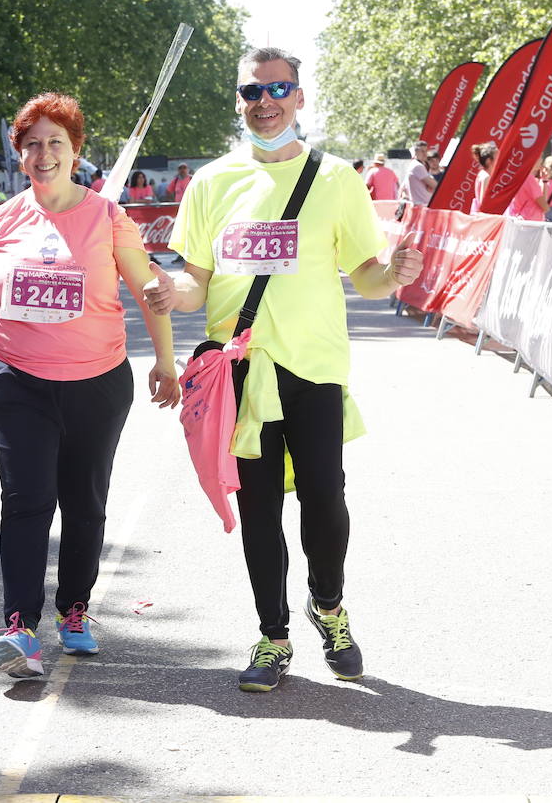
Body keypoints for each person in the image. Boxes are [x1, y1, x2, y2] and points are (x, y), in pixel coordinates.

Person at [142, 46, 422, 692]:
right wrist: (169, 291)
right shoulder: (211, 182)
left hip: (314, 367)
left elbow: (369, 279)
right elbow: (195, 283)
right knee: (261, 509)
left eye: (278, 89)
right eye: (251, 91)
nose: (264, 102)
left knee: (325, 498)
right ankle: (272, 637)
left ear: (299, 97)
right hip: (239, 372)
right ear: (238, 100)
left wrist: (396, 273)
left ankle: (327, 607)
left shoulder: (335, 180)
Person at [0, 92, 179, 679]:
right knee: (26, 500)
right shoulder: (1, 220)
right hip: (17, 383)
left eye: (55, 142)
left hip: (98, 384)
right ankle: (18, 627)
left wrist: (166, 361)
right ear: (20, 154)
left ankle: (75, 610)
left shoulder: (109, 218)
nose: (43, 153)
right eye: (31, 143)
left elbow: (149, 291)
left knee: (84, 504)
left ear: (75, 150)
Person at [403, 140, 436, 205]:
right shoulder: (418, 166)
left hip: (420, 205)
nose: (425, 154)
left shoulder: (415, 164)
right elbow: (435, 185)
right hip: (422, 205)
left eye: (426, 151)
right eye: (422, 151)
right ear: (416, 152)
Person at [469, 142, 497, 214]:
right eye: (497, 157)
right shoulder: (486, 177)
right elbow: (483, 203)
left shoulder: (482, 174)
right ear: (488, 161)